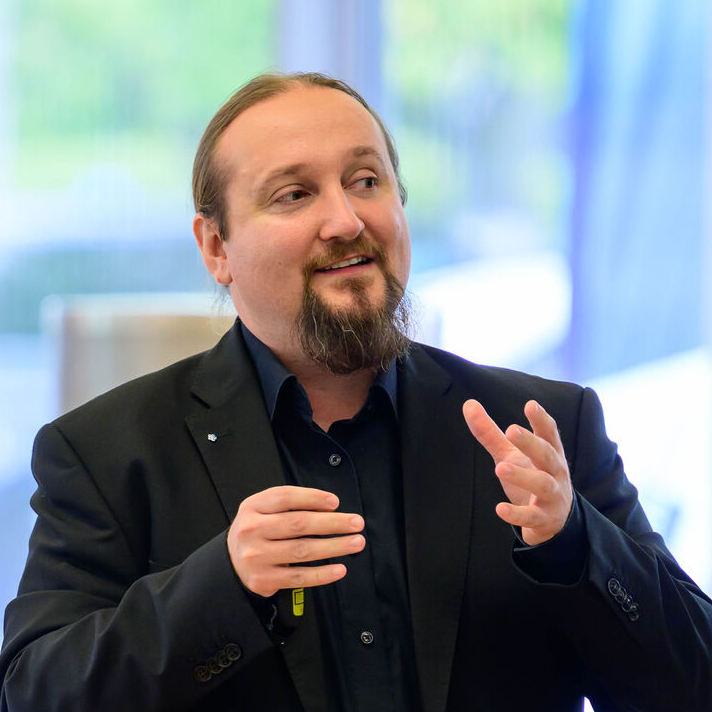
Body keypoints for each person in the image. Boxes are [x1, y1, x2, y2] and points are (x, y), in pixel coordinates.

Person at [1, 71, 710, 712]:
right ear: (216, 247)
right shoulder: (107, 452)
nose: (346, 220)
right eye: (294, 194)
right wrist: (222, 586)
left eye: (366, 181)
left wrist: (578, 546)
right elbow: (34, 693)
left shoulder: (543, 428)